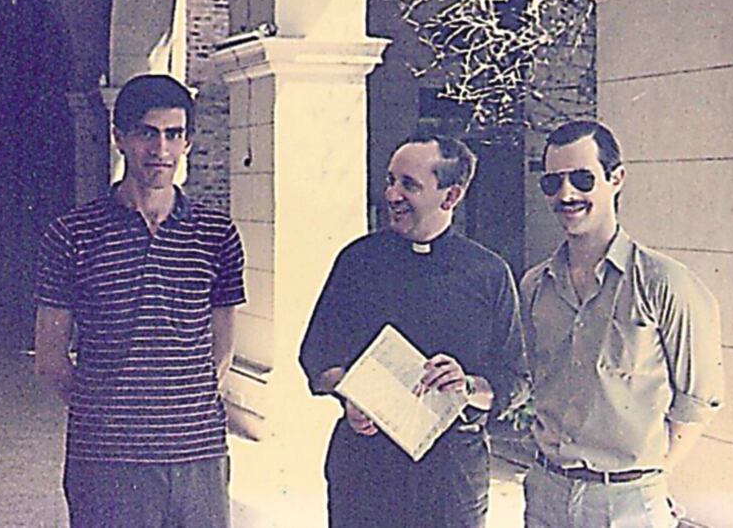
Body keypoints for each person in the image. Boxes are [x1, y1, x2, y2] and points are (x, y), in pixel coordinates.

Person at [33, 74, 246, 528]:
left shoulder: (216, 235)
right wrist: (114, 411)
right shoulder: (72, 235)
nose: (161, 150)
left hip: (197, 458)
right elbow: (50, 359)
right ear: (119, 138)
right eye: (148, 133)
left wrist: (179, 409)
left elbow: (222, 345)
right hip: (106, 462)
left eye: (174, 134)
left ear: (188, 141)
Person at [299, 131, 528, 528]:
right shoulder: (358, 261)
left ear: (451, 196)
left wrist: (469, 385)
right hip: (365, 471)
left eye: (409, 185)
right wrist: (350, 394)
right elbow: (317, 355)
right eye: (391, 180)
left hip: (451, 481)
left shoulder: (489, 273)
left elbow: (516, 379)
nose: (392, 195)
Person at [520, 120, 724, 528]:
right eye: (552, 183)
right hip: (546, 495)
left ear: (616, 179)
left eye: (581, 179)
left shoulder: (665, 283)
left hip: (628, 503)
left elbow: (696, 402)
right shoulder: (534, 286)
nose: (566, 195)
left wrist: (643, 484)